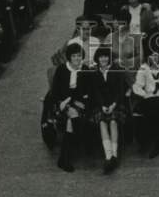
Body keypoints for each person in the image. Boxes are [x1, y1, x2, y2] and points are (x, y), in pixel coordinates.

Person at [50, 42, 94, 171]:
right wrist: (65, 102)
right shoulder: (62, 70)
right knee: (73, 115)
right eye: (74, 56)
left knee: (70, 122)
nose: (77, 58)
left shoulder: (84, 69)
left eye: (79, 56)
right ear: (69, 57)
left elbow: (88, 91)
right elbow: (56, 92)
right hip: (61, 103)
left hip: (80, 104)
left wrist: (81, 100)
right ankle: (84, 143)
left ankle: (64, 159)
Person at [131, 48, 159, 158]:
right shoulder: (144, 68)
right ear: (148, 57)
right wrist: (144, 94)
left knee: (157, 107)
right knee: (150, 107)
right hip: (148, 97)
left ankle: (157, 143)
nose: (154, 58)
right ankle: (151, 141)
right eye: (152, 56)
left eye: (156, 55)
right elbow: (137, 86)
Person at [91, 46, 126, 173]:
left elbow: (120, 90)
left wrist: (113, 105)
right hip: (101, 105)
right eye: (101, 57)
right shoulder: (95, 73)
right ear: (98, 59)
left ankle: (114, 155)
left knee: (112, 122)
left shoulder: (116, 70)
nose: (104, 59)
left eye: (106, 56)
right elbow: (96, 92)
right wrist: (102, 106)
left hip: (116, 104)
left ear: (109, 58)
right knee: (101, 122)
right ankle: (108, 156)